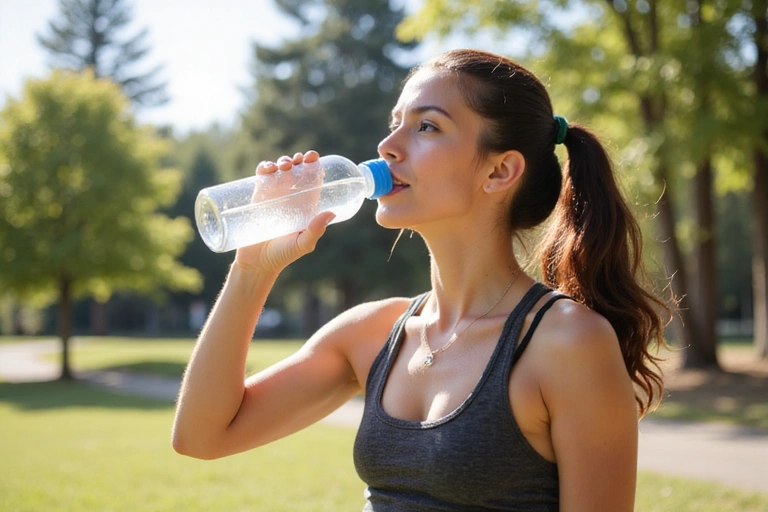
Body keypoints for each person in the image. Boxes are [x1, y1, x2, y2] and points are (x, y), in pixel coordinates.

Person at [172, 48, 667, 511]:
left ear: (499, 171)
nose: (387, 146)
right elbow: (202, 435)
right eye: (394, 124)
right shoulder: (371, 333)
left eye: (426, 126)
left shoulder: (567, 343)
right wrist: (253, 269)